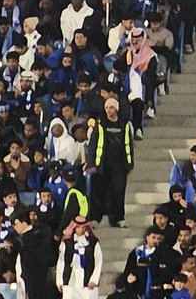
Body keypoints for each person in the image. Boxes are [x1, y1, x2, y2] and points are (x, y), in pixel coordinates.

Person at [87, 97, 134, 227]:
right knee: (98, 192)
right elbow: (93, 144)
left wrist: (130, 164)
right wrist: (91, 164)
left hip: (119, 165)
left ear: (116, 109)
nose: (109, 110)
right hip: (101, 164)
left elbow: (128, 144)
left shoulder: (124, 124)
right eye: (107, 107)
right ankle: (95, 218)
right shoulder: (100, 123)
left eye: (111, 108)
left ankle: (118, 218)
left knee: (118, 192)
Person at [55, 217, 103, 299]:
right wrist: (59, 281)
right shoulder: (66, 243)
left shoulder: (93, 243)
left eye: (83, 227)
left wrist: (94, 280)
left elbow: (98, 261)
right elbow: (61, 262)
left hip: (87, 282)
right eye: (78, 227)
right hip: (70, 280)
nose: (80, 230)